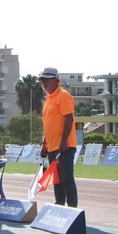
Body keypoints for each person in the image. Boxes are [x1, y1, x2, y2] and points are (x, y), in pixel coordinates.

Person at [38, 67, 79, 207]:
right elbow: (48, 124)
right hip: (52, 146)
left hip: (64, 145)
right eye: (42, 80)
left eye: (47, 79)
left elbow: (69, 119)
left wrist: (63, 141)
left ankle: (72, 207)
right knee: (57, 179)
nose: (44, 83)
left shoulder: (63, 95)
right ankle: (59, 204)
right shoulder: (48, 99)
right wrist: (44, 143)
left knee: (66, 178)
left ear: (56, 80)